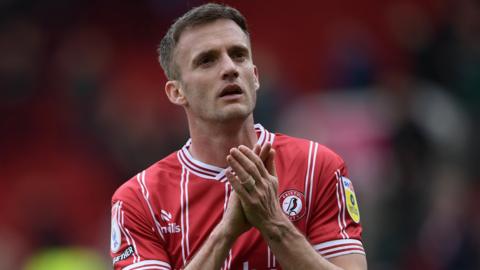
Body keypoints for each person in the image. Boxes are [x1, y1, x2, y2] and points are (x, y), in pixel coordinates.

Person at [110, 3, 367, 270]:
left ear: (254, 77)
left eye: (239, 55)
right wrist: (225, 233)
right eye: (206, 60)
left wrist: (274, 223)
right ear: (176, 92)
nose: (230, 68)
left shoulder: (319, 167)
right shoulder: (140, 199)